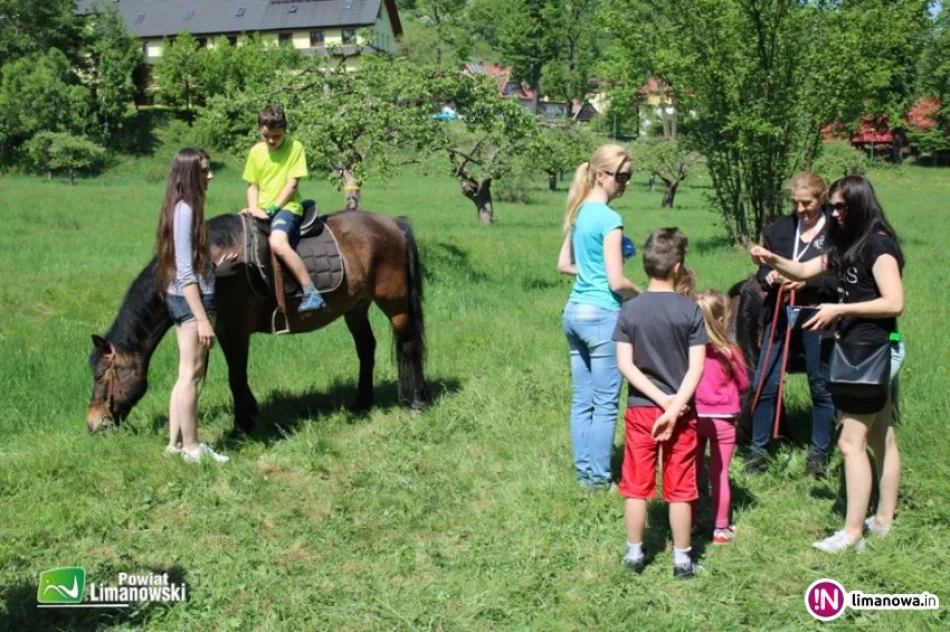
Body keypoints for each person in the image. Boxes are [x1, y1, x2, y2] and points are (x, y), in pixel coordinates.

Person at [750, 175, 905, 553]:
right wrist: (772, 260)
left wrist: (839, 308)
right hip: (860, 349)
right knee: (881, 436)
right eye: (832, 206)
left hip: (870, 351)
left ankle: (852, 533)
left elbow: (894, 302)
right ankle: (882, 520)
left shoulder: (879, 245)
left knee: (851, 444)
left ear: (860, 205)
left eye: (841, 206)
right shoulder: (848, 243)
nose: (834, 213)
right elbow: (804, 271)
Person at [614, 227, 707, 578]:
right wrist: (673, 405)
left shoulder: (630, 310)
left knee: (636, 485)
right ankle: (683, 560)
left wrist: (657, 399)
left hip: (641, 409)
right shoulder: (691, 311)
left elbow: (625, 364)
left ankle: (635, 554)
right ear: (678, 268)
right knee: (680, 487)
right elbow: (697, 367)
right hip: (681, 413)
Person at [557, 144, 639, 490]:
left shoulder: (577, 212)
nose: (625, 184)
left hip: (574, 312)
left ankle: (583, 475)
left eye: (629, 177)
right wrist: (646, 296)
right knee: (605, 404)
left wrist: (591, 273)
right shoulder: (609, 219)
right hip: (602, 316)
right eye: (621, 176)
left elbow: (563, 265)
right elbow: (617, 281)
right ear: (601, 175)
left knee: (582, 400)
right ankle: (599, 479)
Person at [747, 172, 838, 478]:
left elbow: (841, 276)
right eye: (796, 202)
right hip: (780, 311)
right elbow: (761, 272)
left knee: (820, 386)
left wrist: (805, 279)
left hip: (817, 313)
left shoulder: (837, 230)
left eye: (807, 203)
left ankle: (819, 454)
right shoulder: (781, 229)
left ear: (821, 198)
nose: (800, 209)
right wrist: (769, 277)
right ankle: (757, 452)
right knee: (765, 381)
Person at [155, 148, 229, 463]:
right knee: (191, 375)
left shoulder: (180, 207)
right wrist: (202, 319)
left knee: (184, 373)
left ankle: (174, 445)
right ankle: (193, 449)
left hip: (181, 296)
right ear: (189, 175)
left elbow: (189, 264)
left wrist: (214, 267)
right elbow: (185, 272)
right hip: (191, 301)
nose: (210, 176)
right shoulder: (185, 211)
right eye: (204, 171)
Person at [241, 104, 324, 312]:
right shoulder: (255, 152)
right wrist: (252, 208)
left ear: (285, 130)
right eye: (266, 135)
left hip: (287, 207)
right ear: (260, 129)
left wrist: (270, 210)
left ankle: (311, 291)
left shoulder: (295, 147)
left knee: (278, 242)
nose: (271, 141)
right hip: (260, 208)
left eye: (276, 136)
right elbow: (252, 185)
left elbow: (292, 184)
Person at [693, 290, 750, 545]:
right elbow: (745, 383)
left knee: (692, 470)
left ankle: (690, 520)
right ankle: (721, 529)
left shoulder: (690, 351)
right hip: (724, 418)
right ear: (721, 320)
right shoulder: (730, 351)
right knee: (720, 472)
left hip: (695, 418)